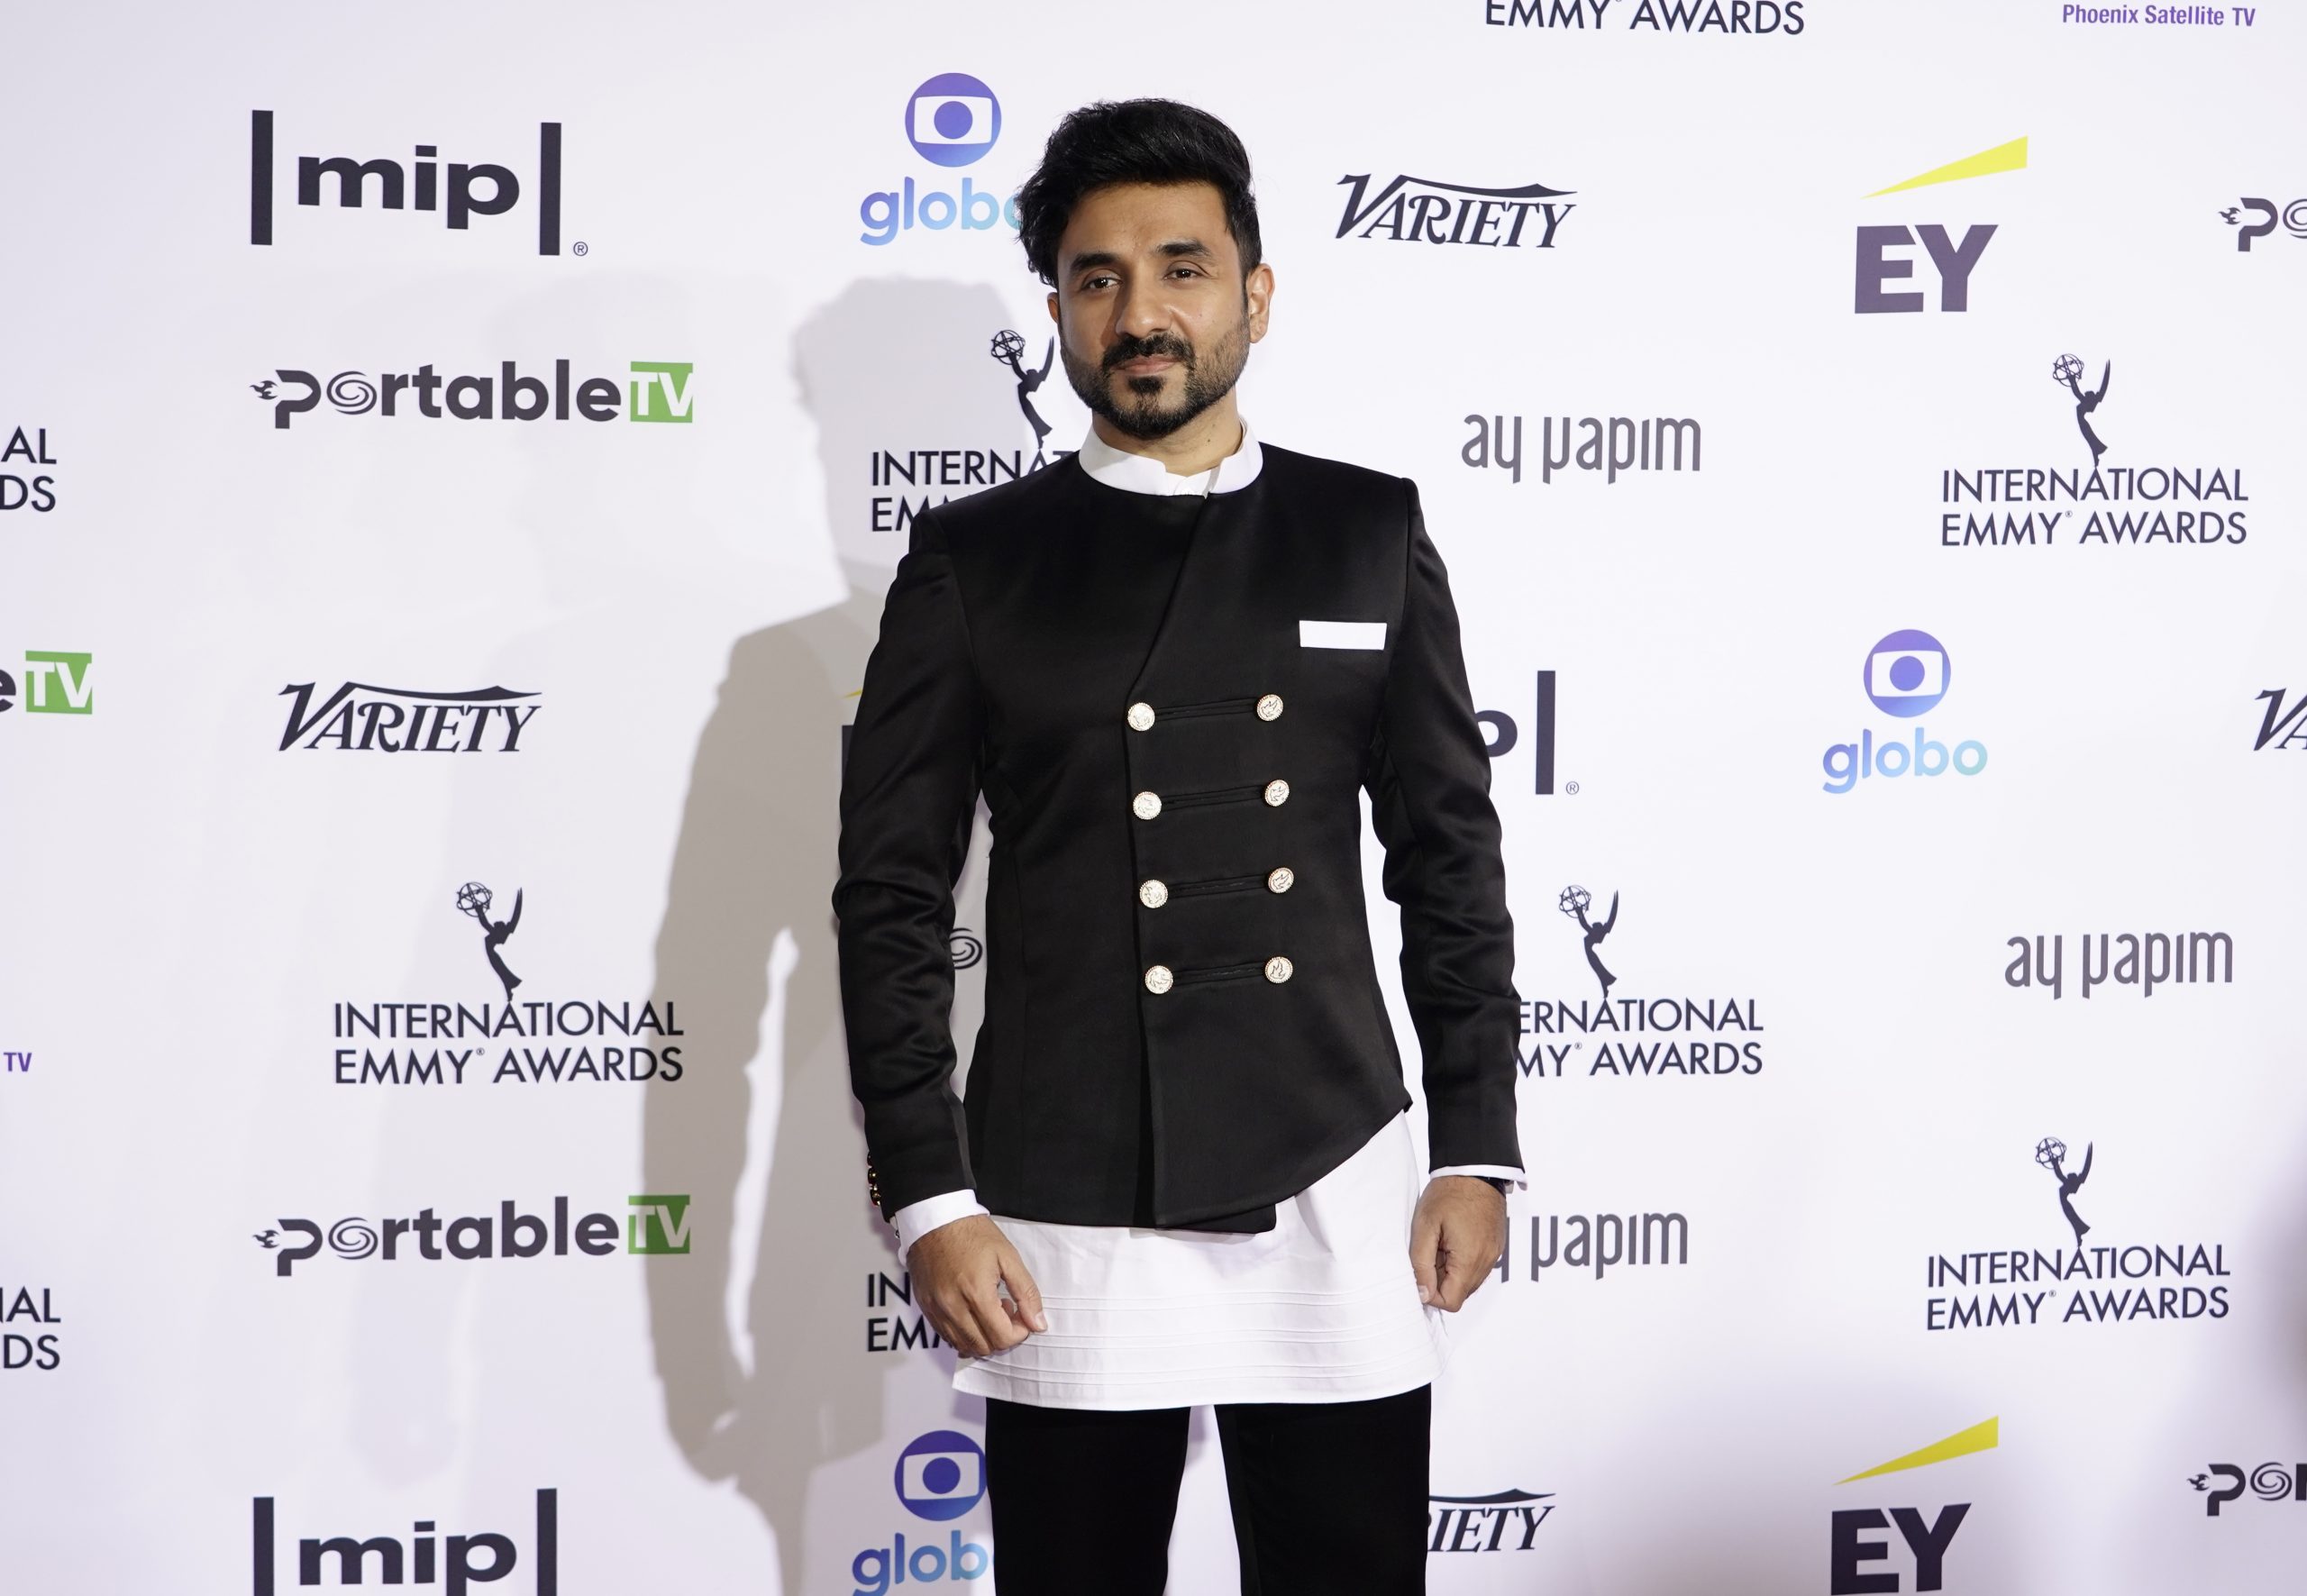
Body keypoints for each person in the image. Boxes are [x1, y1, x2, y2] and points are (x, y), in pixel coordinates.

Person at [834, 98, 1523, 1594]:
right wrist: (930, 1195)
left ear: (1255, 294)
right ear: (1063, 315)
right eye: (1095, 280)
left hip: (1332, 1176)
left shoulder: (1366, 531)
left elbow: (1449, 863)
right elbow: (889, 900)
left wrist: (1476, 1143)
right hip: (1064, 1197)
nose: (1140, 315)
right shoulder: (977, 562)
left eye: (1181, 268)